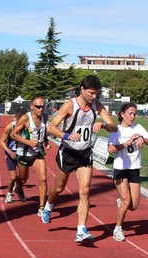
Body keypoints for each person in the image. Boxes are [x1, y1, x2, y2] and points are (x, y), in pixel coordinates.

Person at [43, 75, 118, 243]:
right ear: (82, 89)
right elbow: (51, 128)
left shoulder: (97, 106)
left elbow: (114, 127)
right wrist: (68, 135)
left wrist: (104, 125)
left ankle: (81, 230)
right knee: (59, 188)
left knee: (84, 190)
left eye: (96, 94)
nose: (94, 97)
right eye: (91, 93)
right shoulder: (70, 105)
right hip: (68, 152)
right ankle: (48, 206)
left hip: (85, 153)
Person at [108, 102, 148, 241]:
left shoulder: (138, 127)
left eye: (134, 114)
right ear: (122, 114)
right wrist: (128, 142)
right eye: (130, 113)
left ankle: (121, 202)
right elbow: (110, 150)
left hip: (134, 169)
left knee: (133, 206)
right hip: (120, 169)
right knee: (126, 200)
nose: (132, 116)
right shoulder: (116, 130)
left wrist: (142, 138)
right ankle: (117, 229)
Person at [11, 95, 51, 213]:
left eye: (42, 106)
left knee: (43, 179)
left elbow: (43, 132)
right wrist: (28, 142)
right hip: (24, 153)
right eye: (38, 106)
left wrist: (46, 141)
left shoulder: (45, 117)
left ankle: (42, 208)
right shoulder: (25, 118)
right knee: (23, 179)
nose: (41, 109)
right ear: (32, 106)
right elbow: (14, 135)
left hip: (38, 153)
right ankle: (18, 187)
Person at [0, 107, 28, 203]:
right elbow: (2, 141)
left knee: (24, 178)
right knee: (13, 177)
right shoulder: (10, 127)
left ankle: (19, 189)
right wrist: (10, 152)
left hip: (23, 155)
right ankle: (9, 193)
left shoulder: (28, 127)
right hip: (11, 154)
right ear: (16, 118)